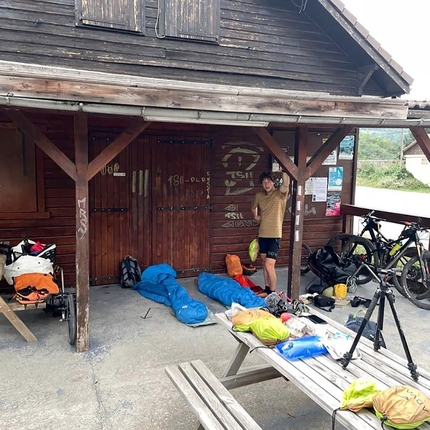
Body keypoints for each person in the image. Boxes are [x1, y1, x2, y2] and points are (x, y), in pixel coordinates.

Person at [251, 171, 290, 295]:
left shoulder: (280, 194)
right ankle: (266, 289)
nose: (266, 184)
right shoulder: (259, 195)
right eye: (264, 182)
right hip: (262, 234)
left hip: (275, 235)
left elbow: (286, 183)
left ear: (274, 182)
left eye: (268, 181)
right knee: (263, 263)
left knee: (269, 265)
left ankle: (272, 293)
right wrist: (256, 216)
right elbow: (253, 207)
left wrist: (284, 170)